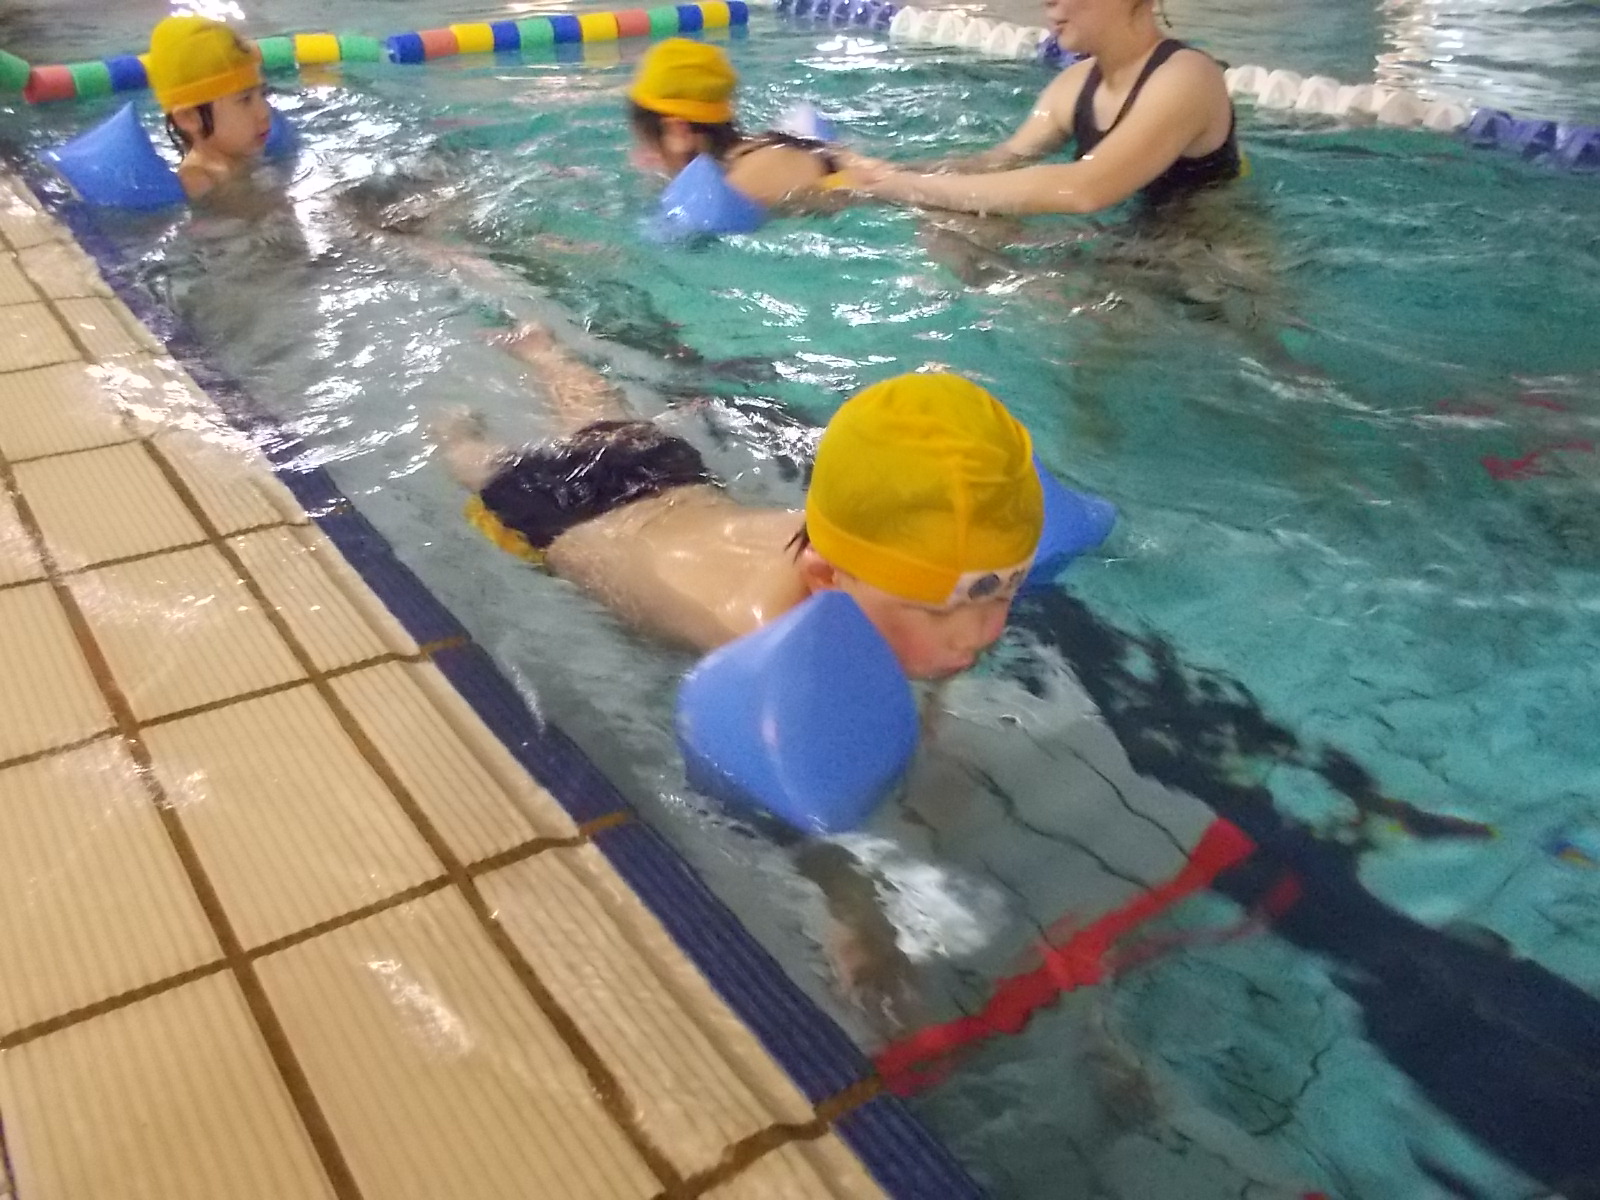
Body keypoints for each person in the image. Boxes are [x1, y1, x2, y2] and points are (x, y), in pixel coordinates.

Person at [433, 324, 1043, 682]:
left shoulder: (863, 537)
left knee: (599, 416)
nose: (980, 635)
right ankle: (451, 429)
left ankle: (542, 351)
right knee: (472, 461)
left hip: (665, 473)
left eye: (1001, 597)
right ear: (824, 578)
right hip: (565, 517)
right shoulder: (757, 639)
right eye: (935, 614)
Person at [841, 0, 1244, 215]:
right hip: (1129, 249)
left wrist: (908, 188)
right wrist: (879, 175)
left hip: (1208, 267)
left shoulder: (1187, 77)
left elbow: (1083, 189)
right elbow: (997, 163)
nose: (1048, 3)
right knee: (953, 226)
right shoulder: (1074, 84)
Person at [627, 38, 846, 207]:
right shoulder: (767, 144)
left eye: (650, 143)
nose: (646, 156)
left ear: (678, 130)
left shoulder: (737, 188)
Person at [146, 15, 274, 201]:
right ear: (189, 118)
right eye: (245, 100)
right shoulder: (198, 180)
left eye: (263, 94)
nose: (264, 112)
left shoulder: (245, 154)